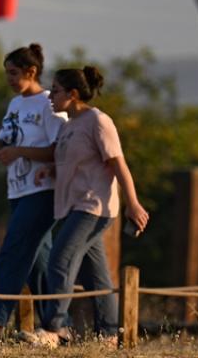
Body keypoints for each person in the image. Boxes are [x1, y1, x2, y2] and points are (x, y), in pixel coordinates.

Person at [28, 66, 149, 347]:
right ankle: (109, 335)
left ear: (72, 94)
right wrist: (50, 171)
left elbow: (118, 164)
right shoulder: (69, 126)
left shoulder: (98, 121)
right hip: (73, 207)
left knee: (60, 258)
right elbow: (75, 163)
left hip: (94, 207)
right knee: (96, 275)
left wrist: (133, 203)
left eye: (55, 91)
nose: (50, 96)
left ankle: (56, 329)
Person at [0, 43, 67, 337]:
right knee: (39, 263)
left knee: (12, 251)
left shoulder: (50, 103)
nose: (9, 79)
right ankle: (59, 327)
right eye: (7, 73)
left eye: (14, 73)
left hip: (43, 190)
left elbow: (59, 150)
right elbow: (5, 149)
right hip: (17, 190)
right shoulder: (15, 105)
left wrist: (19, 152)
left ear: (31, 71)